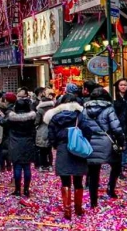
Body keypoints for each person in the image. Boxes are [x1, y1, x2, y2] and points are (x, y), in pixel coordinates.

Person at [44, 84, 104, 220]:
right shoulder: (79, 116)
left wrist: (56, 145)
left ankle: (67, 210)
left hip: (62, 148)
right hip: (77, 148)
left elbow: (51, 135)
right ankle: (78, 208)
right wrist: (83, 141)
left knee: (65, 181)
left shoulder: (55, 117)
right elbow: (88, 131)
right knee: (78, 180)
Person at [82, 86, 122, 208]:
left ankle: (93, 200)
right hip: (106, 141)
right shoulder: (109, 109)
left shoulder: (85, 109)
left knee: (94, 171)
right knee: (116, 165)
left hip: (90, 141)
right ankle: (111, 188)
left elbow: (82, 125)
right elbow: (116, 127)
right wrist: (120, 140)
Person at [3, 95, 39, 197]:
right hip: (28, 143)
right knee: (27, 167)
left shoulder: (11, 119)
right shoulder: (31, 118)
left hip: (15, 143)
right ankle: (26, 190)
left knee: (17, 167)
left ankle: (18, 190)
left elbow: (2, 122)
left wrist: (8, 112)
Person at [33, 87, 56, 172]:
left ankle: (42, 165)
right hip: (51, 129)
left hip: (42, 129)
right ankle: (49, 165)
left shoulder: (40, 109)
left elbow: (37, 121)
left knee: (42, 150)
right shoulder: (53, 108)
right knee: (49, 150)